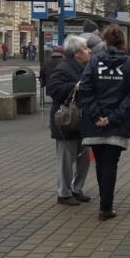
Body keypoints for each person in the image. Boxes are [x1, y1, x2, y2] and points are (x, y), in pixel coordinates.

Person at [79, 24, 130, 221]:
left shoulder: (94, 61)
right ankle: (105, 207)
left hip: (94, 123)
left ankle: (104, 204)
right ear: (123, 42)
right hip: (118, 123)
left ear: (105, 42)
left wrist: (97, 115)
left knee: (100, 163)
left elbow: (86, 88)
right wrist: (113, 117)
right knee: (111, 164)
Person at [47, 35, 92, 207]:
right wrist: (75, 86)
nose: (89, 51)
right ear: (76, 53)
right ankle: (64, 193)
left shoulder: (86, 66)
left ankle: (77, 189)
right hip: (67, 122)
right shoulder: (63, 68)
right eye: (86, 48)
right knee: (66, 161)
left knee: (84, 158)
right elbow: (53, 89)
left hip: (82, 122)